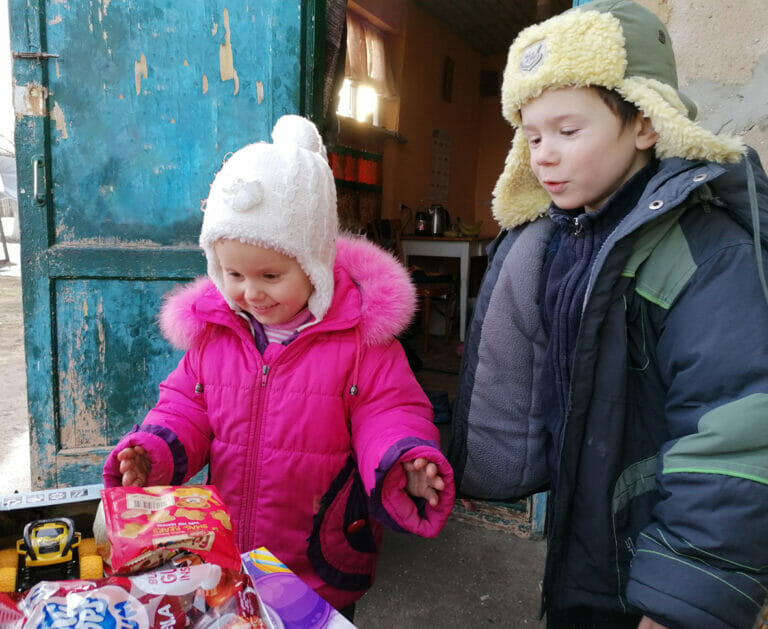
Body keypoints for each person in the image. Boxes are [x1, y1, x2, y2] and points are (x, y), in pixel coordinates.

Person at [449, 1, 768, 627]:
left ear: (645, 122)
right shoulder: (563, 240)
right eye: (533, 136)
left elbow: (737, 434)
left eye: (568, 132)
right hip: (588, 543)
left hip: (653, 565)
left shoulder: (705, 256)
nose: (543, 155)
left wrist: (684, 592)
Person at [103, 114, 455, 617]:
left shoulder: (361, 342)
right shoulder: (216, 335)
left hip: (318, 555)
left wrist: (405, 461)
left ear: (314, 264)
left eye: (271, 274)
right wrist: (152, 452)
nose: (250, 292)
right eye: (233, 274)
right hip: (226, 556)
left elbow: (391, 411)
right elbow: (184, 407)